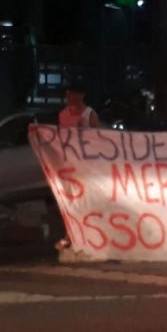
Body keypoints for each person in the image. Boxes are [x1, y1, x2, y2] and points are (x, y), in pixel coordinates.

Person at [56, 81, 99, 252]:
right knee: (70, 201)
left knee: (86, 201)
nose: (68, 97)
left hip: (86, 166)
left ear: (81, 95)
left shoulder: (90, 114)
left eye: (71, 94)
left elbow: (98, 140)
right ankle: (71, 235)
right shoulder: (63, 115)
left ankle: (90, 235)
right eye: (67, 94)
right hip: (69, 166)